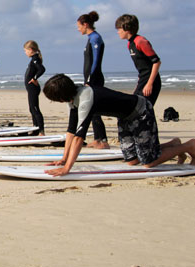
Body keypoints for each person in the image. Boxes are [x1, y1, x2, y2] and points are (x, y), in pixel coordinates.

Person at [42, 74, 193, 177]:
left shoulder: (85, 99)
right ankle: (174, 144)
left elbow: (79, 138)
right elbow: (71, 132)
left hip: (140, 111)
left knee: (148, 162)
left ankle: (189, 146)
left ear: (61, 96)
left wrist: (67, 168)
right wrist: (63, 158)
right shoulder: (73, 98)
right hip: (125, 117)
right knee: (132, 160)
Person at [77, 11, 109, 149]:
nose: (78, 29)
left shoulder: (95, 38)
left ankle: (103, 141)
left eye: (79, 26)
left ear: (85, 24)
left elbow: (95, 61)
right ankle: (98, 139)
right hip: (90, 78)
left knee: (95, 108)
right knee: (92, 110)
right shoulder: (90, 38)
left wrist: (90, 79)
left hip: (94, 79)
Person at [115, 14, 162, 105]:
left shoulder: (140, 41)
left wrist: (149, 84)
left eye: (119, 29)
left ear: (126, 29)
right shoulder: (130, 44)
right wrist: (139, 85)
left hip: (151, 81)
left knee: (145, 110)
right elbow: (142, 68)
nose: (118, 32)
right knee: (135, 108)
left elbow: (156, 62)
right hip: (143, 80)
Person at [23, 40, 46, 136]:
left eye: (26, 50)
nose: (25, 53)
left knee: (35, 108)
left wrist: (34, 78)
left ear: (31, 50)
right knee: (32, 108)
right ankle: (35, 129)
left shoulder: (35, 58)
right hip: (31, 88)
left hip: (33, 88)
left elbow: (42, 69)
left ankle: (41, 131)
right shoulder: (33, 59)